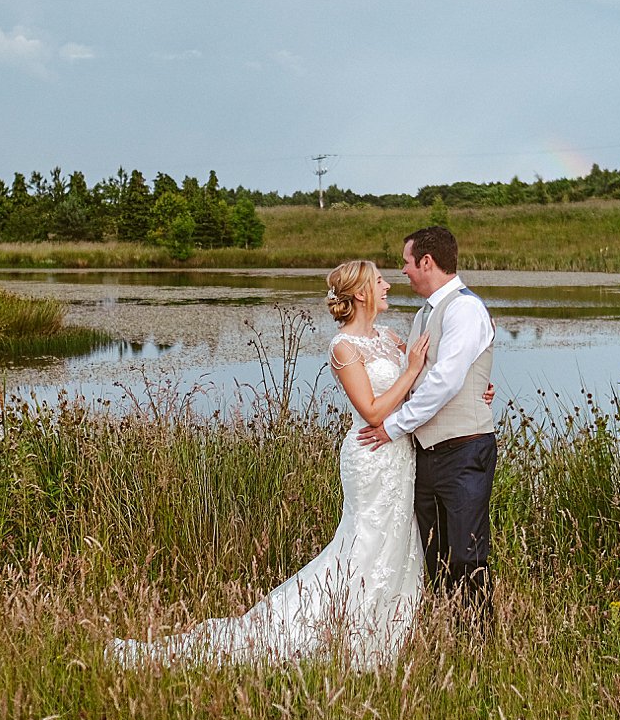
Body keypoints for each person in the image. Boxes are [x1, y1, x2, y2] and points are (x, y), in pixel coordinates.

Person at [105, 260, 431, 671]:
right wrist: (414, 369)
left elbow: (426, 384)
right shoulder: (342, 348)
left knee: (396, 541)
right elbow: (371, 410)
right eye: (379, 280)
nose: (388, 285)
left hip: (401, 457)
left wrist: (472, 390)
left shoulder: (391, 338)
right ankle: (322, 631)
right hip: (370, 454)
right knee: (363, 541)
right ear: (362, 293)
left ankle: (378, 634)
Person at [356, 225, 497, 622]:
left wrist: (393, 427)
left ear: (427, 262)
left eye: (406, 262)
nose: (403, 271)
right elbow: (418, 376)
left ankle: (476, 644)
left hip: (464, 450)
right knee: (433, 554)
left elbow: (446, 381)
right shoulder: (424, 315)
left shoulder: (465, 309)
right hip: (426, 455)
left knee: (467, 553)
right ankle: (447, 633)